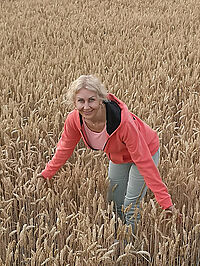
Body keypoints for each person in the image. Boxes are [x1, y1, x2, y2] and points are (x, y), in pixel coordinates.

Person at [37, 74, 179, 231]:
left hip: (146, 150)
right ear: (74, 102)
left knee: (131, 206)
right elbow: (64, 148)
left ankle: (128, 248)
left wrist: (166, 203)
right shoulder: (74, 120)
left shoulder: (122, 122)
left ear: (100, 99)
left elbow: (144, 161)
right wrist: (46, 174)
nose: (86, 106)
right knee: (114, 201)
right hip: (118, 156)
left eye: (91, 100)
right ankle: (117, 237)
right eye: (81, 101)